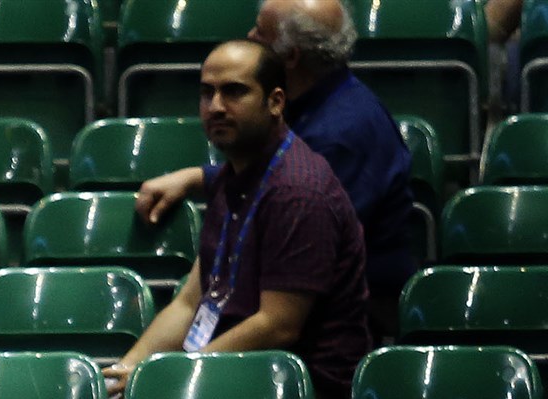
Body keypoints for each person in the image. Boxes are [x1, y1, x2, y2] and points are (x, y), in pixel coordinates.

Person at [105, 39, 369, 399]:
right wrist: (122, 377)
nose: (216, 106)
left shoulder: (298, 194)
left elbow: (277, 326)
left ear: (275, 102)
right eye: (206, 93)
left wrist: (167, 378)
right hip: (227, 371)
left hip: (291, 396)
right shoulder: (235, 176)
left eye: (234, 92)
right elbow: (189, 302)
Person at [127, 0, 412, 340]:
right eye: (207, 93)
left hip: (341, 322)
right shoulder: (311, 106)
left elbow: (281, 316)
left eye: (261, 32)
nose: (249, 36)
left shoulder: (337, 141)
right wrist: (197, 177)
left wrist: (188, 367)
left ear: (289, 57)